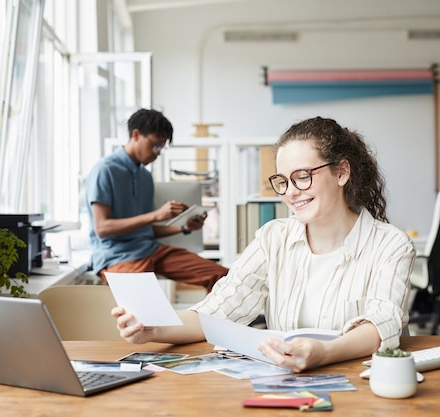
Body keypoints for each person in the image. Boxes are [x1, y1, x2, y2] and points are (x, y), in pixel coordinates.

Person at [112, 116, 416, 372]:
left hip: (362, 389)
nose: (291, 192)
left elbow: (381, 326)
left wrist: (322, 353)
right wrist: (154, 329)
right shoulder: (273, 239)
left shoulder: (390, 245)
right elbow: (217, 311)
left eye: (303, 176)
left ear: (342, 172)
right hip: (289, 390)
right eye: (283, 181)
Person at [85, 108, 228, 290]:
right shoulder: (105, 170)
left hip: (151, 250)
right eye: (155, 145)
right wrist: (156, 215)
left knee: (224, 277)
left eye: (161, 147)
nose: (158, 152)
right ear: (136, 135)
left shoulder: (144, 176)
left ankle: (211, 318)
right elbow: (102, 228)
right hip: (117, 256)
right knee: (147, 307)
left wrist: (184, 228)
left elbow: (145, 229)